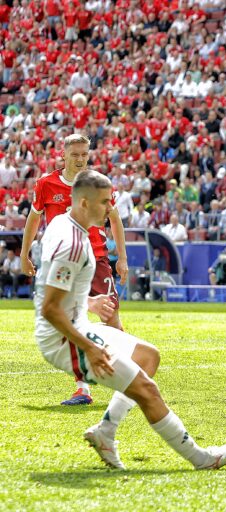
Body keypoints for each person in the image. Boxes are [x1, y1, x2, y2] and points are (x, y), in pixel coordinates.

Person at [34, 170, 226, 470]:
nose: (110, 209)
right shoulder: (72, 244)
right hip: (64, 339)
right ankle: (203, 459)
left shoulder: (63, 224)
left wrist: (88, 302)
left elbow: (52, 289)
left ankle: (105, 432)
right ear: (83, 202)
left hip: (75, 325)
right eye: (105, 202)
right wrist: (89, 347)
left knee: (148, 356)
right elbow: (51, 309)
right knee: (146, 390)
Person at [20, 134, 129, 406]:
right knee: (71, 318)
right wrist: (24, 254)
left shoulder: (97, 184)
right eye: (75, 154)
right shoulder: (46, 184)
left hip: (98, 257)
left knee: (110, 314)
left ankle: (130, 374)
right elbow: (33, 221)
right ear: (63, 155)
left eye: (84, 154)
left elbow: (114, 219)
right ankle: (83, 388)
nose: (80, 159)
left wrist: (122, 258)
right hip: (65, 260)